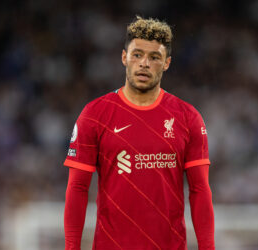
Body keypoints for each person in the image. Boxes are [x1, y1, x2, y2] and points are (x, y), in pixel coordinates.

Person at [64, 16, 215, 250]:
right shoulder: (94, 114)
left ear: (167, 63)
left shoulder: (188, 117)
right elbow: (77, 188)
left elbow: (200, 190)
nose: (144, 63)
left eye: (154, 57)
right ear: (124, 58)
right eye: (137, 54)